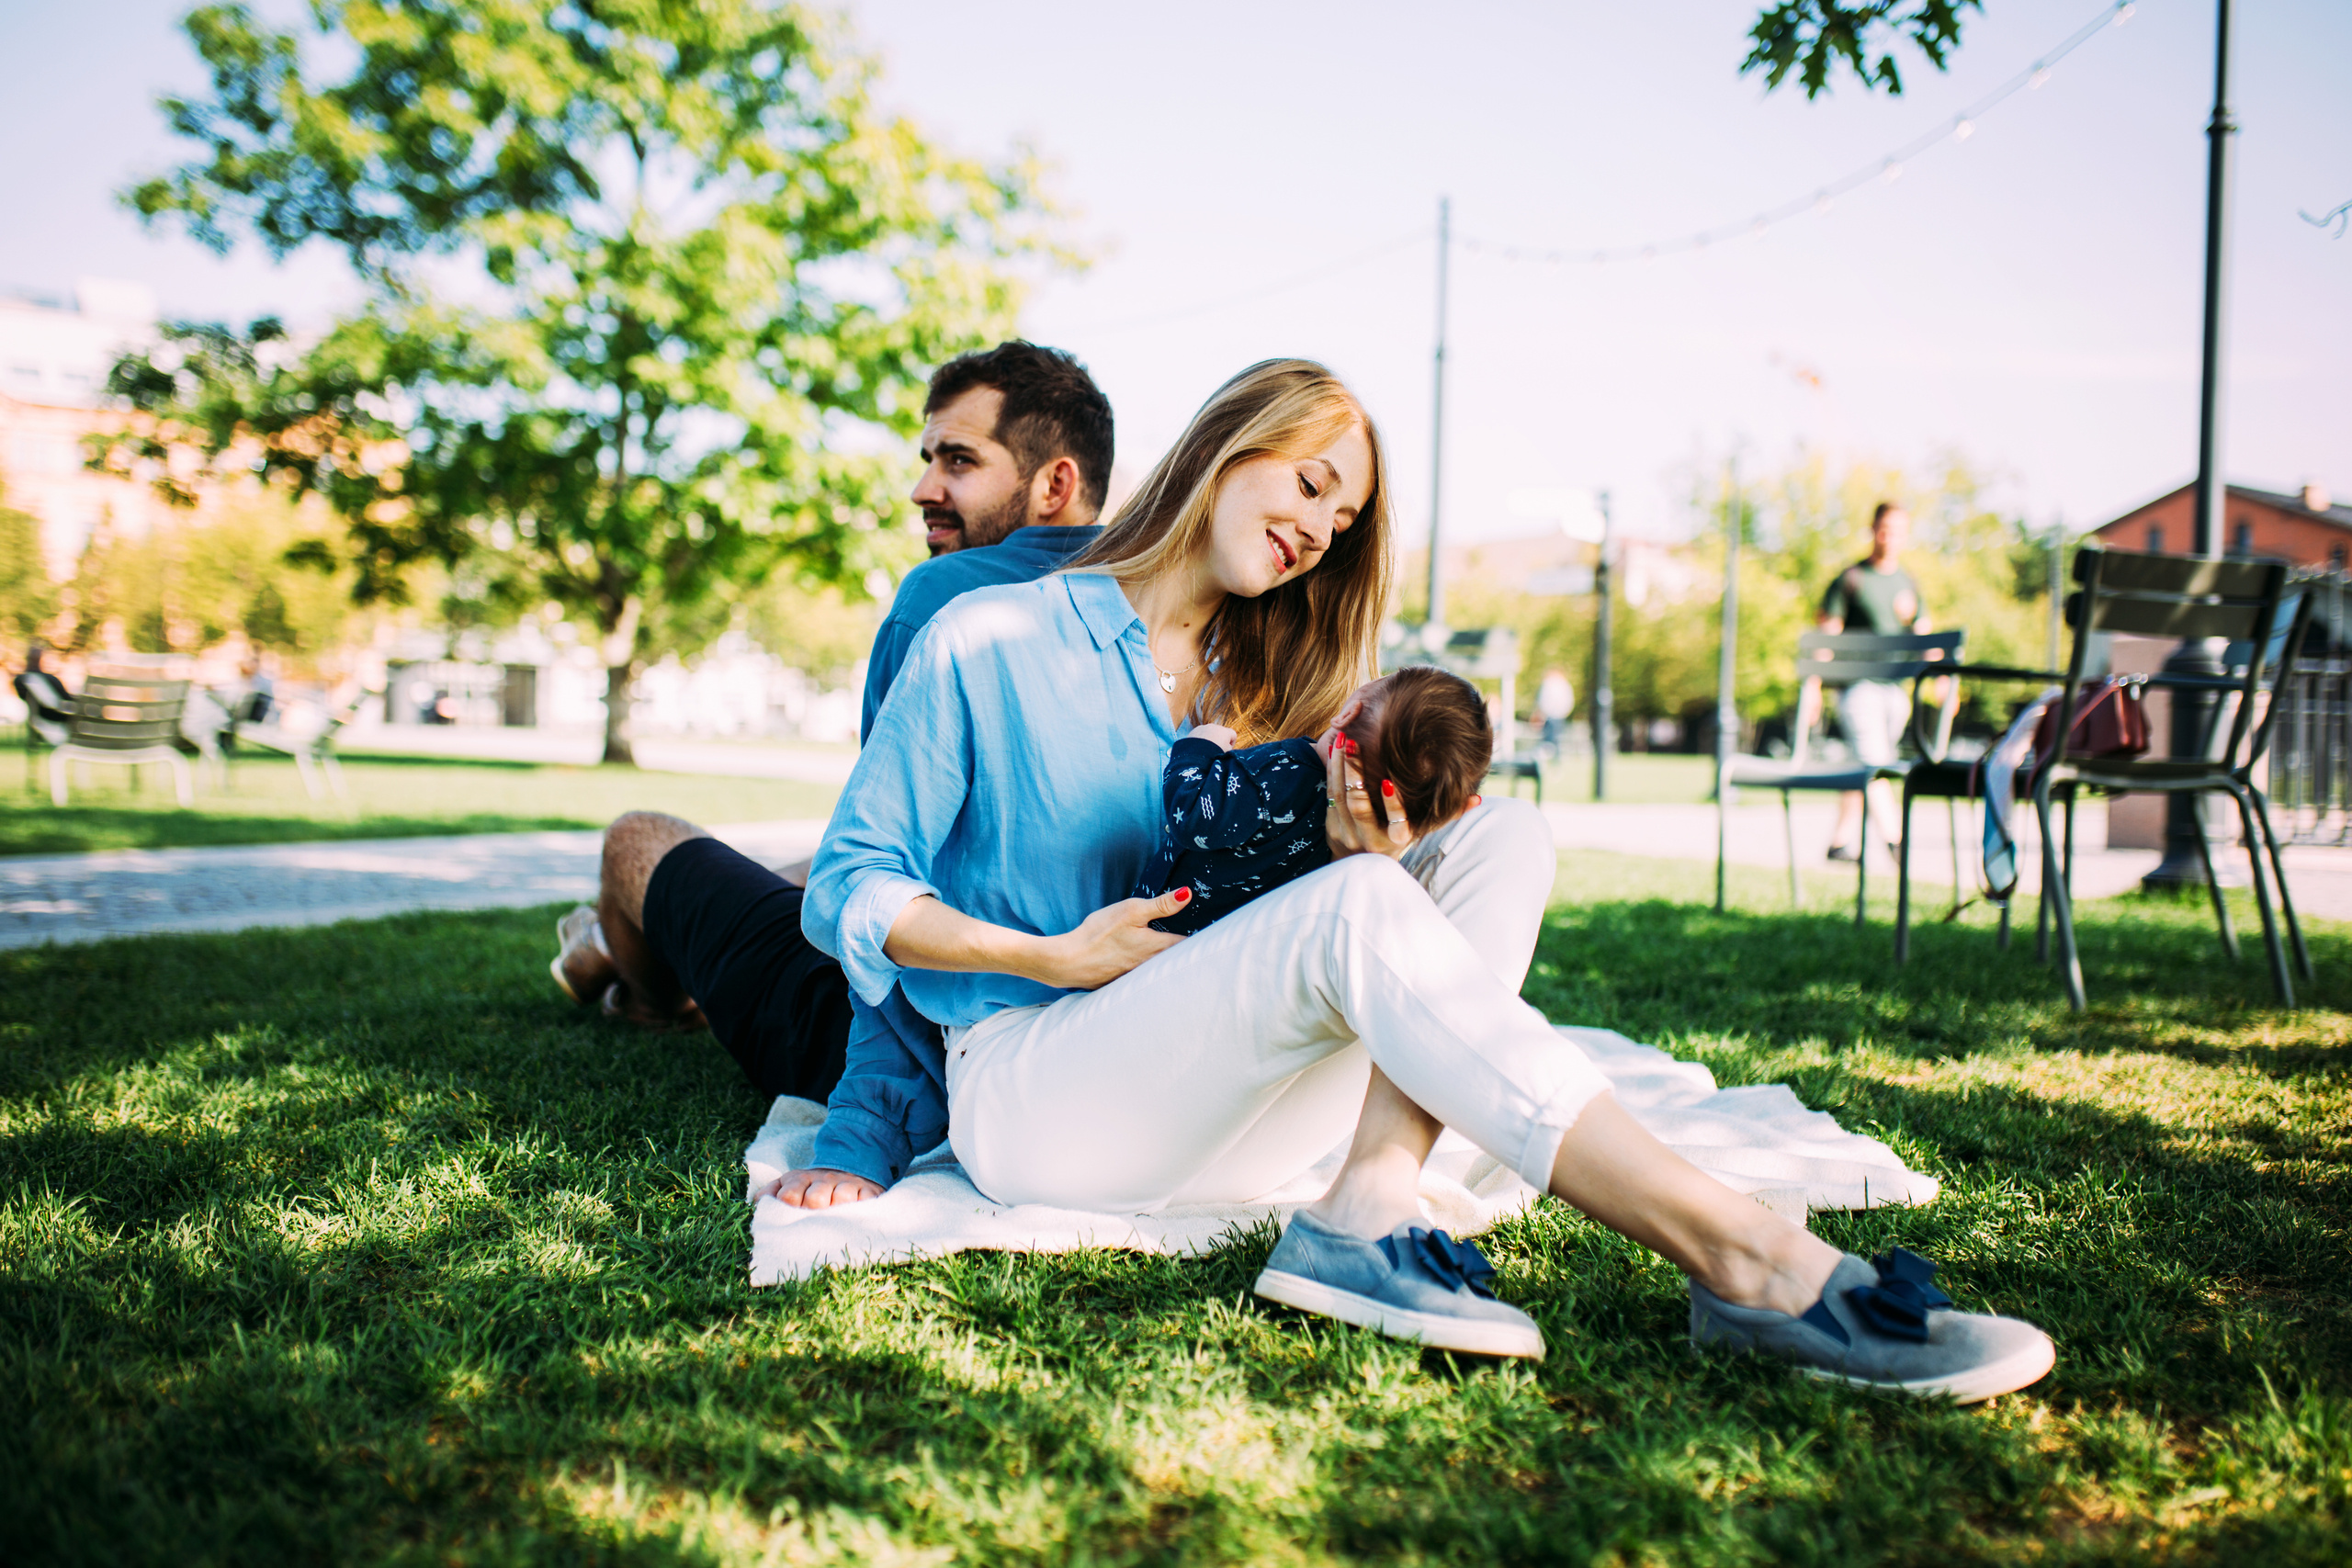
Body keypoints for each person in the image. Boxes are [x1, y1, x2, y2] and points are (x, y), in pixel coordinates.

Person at [790, 360, 2054, 1398]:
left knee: (1504, 838)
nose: (1315, 531)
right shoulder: (992, 636)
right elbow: (846, 880)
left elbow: (1314, 910)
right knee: (1360, 907)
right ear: (1230, 444)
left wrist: (1373, 865)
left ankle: (1372, 1196)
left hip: (1225, 1104)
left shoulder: (1279, 683)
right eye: (1312, 483)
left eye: (1340, 523)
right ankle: (1754, 1262)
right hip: (1042, 1097)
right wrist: (1045, 953)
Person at [548, 341, 1116, 1123]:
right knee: (785, 867)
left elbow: (878, 872)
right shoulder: (1151, 609)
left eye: (959, 461)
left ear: (1056, 482)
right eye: (928, 459)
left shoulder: (945, 599)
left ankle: (649, 995)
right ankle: (621, 952)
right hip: (1092, 1039)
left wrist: (871, 1111)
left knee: (637, 840)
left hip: (900, 1038)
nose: (924, 488)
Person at [1138, 665, 1493, 936]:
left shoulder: (1283, 776)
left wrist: (1199, 747)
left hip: (1156, 936)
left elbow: (1192, 817)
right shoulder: (1348, 838)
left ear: (1349, 711)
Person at [1810, 502, 1930, 863]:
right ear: (1872, 529)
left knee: (1864, 762)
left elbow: (1925, 637)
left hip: (1895, 692)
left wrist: (1942, 683)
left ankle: (1839, 841)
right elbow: (1826, 637)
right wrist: (1813, 685)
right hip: (1857, 688)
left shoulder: (1908, 582)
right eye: (1884, 529)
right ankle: (1896, 840)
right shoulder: (1851, 579)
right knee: (1874, 758)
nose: (1889, 538)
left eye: (1897, 531)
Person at [1535, 667, 1574, 756]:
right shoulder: (1564, 684)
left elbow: (1543, 700)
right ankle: (1554, 757)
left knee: (1549, 738)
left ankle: (1549, 756)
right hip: (1559, 715)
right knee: (1557, 738)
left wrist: (1543, 712)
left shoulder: (1549, 683)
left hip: (1550, 715)